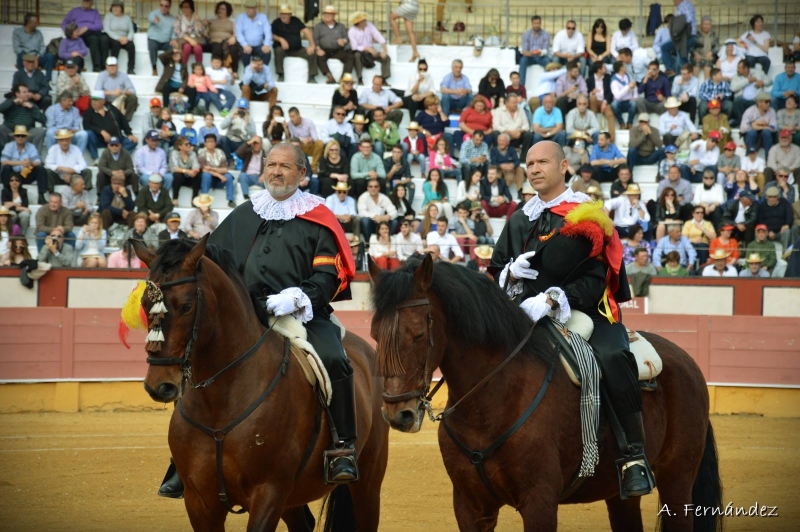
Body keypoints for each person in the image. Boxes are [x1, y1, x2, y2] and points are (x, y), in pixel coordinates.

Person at [490, 140, 652, 499]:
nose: (534, 169)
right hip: (526, 315)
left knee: (613, 356)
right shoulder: (519, 218)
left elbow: (598, 277)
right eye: (529, 163)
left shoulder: (587, 213)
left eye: (542, 162)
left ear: (564, 166)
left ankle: (633, 455)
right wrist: (510, 274)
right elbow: (496, 268)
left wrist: (553, 298)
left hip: (588, 310)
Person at [83, 91, 138, 160]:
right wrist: (101, 131)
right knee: (88, 134)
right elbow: (86, 126)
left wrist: (129, 133)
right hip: (100, 140)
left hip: (117, 139)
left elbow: (122, 120)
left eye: (96, 100)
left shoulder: (111, 108)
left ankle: (116, 158)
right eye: (92, 100)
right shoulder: (88, 112)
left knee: (132, 141)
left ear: (103, 101)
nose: (94, 102)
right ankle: (96, 158)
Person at [1, 125, 47, 204]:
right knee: (6, 168)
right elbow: (3, 161)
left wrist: (30, 163)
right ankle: (7, 192)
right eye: (18, 136)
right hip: (12, 175)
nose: (20, 138)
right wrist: (21, 163)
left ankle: (41, 195)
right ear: (14, 137)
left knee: (41, 168)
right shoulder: (9, 146)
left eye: (22, 136)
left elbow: (38, 161)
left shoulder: (31, 147)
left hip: (25, 174)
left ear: (26, 137)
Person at [271, 4, 317, 83]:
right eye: (282, 14)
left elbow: (306, 31)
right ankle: (281, 75)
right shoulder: (276, 22)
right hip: (284, 50)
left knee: (311, 52)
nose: (283, 16)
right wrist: (280, 39)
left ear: (290, 14)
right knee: (278, 50)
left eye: (285, 14)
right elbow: (271, 34)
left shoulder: (296, 20)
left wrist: (312, 45)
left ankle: (311, 76)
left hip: (298, 50)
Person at [0, 84, 47, 157]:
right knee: (1, 128)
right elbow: (1, 109)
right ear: (17, 94)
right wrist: (13, 101)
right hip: (11, 133)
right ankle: (3, 157)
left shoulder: (32, 105)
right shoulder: (10, 102)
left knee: (40, 131)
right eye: (24, 92)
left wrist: (32, 109)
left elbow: (44, 120)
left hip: (26, 134)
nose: (27, 94)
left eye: (27, 92)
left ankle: (35, 158)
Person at [61, 0, 109, 72]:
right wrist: (71, 32)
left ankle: (104, 66)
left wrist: (87, 27)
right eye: (85, 1)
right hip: (80, 34)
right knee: (93, 39)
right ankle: (96, 66)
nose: (86, 2)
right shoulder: (75, 11)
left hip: (93, 32)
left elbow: (99, 26)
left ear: (92, 3)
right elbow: (64, 24)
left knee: (105, 39)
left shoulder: (95, 12)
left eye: (88, 1)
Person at [313, 5, 354, 85]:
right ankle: (330, 77)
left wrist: (343, 41)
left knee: (350, 57)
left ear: (333, 15)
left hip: (338, 51)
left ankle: (343, 78)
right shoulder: (318, 26)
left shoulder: (341, 26)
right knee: (319, 56)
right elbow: (315, 39)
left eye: (329, 14)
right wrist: (318, 49)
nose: (326, 15)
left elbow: (346, 38)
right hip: (324, 50)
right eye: (325, 13)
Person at [349, 12, 391, 85]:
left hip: (371, 52)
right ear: (358, 23)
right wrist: (367, 49)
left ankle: (383, 79)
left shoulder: (369, 25)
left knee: (386, 58)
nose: (365, 21)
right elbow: (354, 47)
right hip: (360, 52)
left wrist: (385, 50)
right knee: (357, 56)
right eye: (363, 20)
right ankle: (360, 79)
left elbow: (378, 36)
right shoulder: (352, 31)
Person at [13, 13, 55, 83]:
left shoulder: (38, 33)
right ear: (28, 23)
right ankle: (22, 79)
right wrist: (30, 58)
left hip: (37, 57)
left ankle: (47, 80)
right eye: (35, 23)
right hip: (25, 56)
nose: (37, 24)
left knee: (50, 56)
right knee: (20, 55)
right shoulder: (17, 32)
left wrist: (37, 57)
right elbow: (17, 48)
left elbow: (42, 47)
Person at [95, 56, 138, 123]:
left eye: (114, 65)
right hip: (106, 101)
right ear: (106, 67)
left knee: (133, 98)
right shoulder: (101, 75)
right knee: (95, 98)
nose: (112, 68)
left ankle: (125, 121)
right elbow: (96, 92)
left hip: (120, 101)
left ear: (117, 66)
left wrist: (122, 92)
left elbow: (133, 91)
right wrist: (112, 93)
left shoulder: (123, 76)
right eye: (110, 66)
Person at [198, 133, 235, 208]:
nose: (210, 143)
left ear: (215, 143)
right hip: (210, 178)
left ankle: (230, 200)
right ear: (205, 143)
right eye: (208, 141)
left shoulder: (220, 152)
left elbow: (225, 169)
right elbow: (204, 169)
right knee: (206, 175)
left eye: (212, 141)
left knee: (228, 177)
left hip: (219, 179)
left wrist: (213, 169)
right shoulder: (201, 152)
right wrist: (219, 175)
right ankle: (204, 199)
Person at [202, 1, 239, 77]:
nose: (220, 10)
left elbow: (235, 33)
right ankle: (216, 70)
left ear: (228, 11)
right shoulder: (211, 21)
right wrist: (202, 23)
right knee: (217, 47)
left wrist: (233, 38)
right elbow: (201, 28)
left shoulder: (231, 22)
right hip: (214, 42)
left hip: (227, 42)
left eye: (223, 9)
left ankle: (234, 71)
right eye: (219, 8)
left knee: (234, 49)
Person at [731, 60, 772, 127]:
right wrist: (748, 80)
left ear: (746, 69)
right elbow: (733, 88)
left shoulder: (758, 73)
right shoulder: (736, 76)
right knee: (737, 100)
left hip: (756, 100)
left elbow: (770, 81)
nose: (737, 70)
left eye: (739, 68)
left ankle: (757, 122)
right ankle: (741, 122)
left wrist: (763, 82)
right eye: (737, 68)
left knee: (765, 101)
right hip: (743, 100)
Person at [518, 15, 552, 87]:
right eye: (535, 23)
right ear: (532, 24)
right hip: (529, 57)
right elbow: (524, 50)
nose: (536, 25)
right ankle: (521, 86)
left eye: (538, 23)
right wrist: (529, 53)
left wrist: (540, 52)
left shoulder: (545, 34)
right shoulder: (526, 34)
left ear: (540, 23)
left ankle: (548, 85)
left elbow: (545, 50)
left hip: (541, 57)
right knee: (523, 60)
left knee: (547, 61)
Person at [104, 0, 136, 75]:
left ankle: (130, 68)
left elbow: (131, 31)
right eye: (114, 7)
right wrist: (118, 38)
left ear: (121, 8)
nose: (115, 9)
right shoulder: (108, 16)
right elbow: (107, 30)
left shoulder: (127, 18)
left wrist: (127, 39)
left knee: (131, 46)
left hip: (125, 38)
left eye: (117, 7)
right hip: (113, 37)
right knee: (115, 45)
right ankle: (112, 68)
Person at [146, 0, 176, 77]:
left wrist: (173, 38)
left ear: (169, 7)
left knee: (173, 49)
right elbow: (150, 17)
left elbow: (174, 31)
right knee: (152, 46)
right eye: (161, 5)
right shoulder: (154, 13)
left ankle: (168, 69)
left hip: (166, 42)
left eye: (166, 6)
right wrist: (154, 20)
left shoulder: (172, 19)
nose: (163, 8)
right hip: (154, 39)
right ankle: (154, 67)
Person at [173, 0, 207, 66]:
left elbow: (203, 32)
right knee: (187, 47)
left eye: (187, 7)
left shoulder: (196, 17)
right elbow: (177, 32)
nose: (184, 9)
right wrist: (190, 40)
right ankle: (183, 67)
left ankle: (199, 68)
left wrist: (198, 22)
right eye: (183, 7)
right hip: (183, 40)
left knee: (198, 48)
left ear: (191, 8)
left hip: (196, 40)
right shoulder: (179, 17)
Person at [609, 61, 638, 129]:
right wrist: (628, 86)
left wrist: (635, 96)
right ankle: (621, 123)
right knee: (614, 104)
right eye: (624, 66)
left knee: (634, 103)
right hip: (619, 103)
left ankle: (629, 123)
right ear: (621, 68)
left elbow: (634, 86)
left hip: (629, 101)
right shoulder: (614, 81)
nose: (626, 67)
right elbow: (617, 96)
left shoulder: (627, 76)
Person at [691, 16, 719, 81]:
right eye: (705, 24)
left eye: (709, 24)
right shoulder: (696, 35)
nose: (707, 26)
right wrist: (695, 53)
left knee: (707, 63)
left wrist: (711, 52)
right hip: (697, 56)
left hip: (709, 56)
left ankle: (706, 83)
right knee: (696, 63)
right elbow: (690, 46)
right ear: (701, 25)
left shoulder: (714, 34)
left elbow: (717, 47)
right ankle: (694, 84)